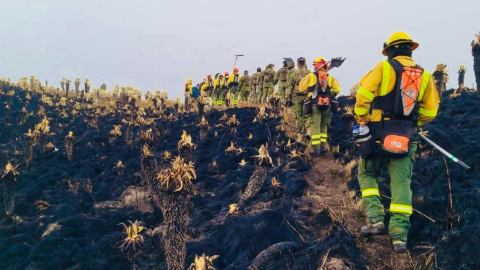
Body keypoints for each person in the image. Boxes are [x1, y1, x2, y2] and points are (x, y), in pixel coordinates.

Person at [354, 31, 440, 253]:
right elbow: (431, 111)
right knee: (402, 184)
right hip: (407, 136)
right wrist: (413, 122)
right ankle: (399, 237)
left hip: (378, 134)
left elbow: (363, 93)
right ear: (410, 49)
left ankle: (376, 220)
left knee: (366, 174)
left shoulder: (383, 68)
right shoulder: (425, 75)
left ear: (390, 50)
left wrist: (362, 118)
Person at [298, 56, 341, 156]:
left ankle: (316, 149)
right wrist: (330, 96)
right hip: (327, 105)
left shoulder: (311, 76)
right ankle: (322, 146)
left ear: (316, 66)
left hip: (314, 104)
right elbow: (337, 89)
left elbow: (301, 88)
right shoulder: (330, 77)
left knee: (315, 126)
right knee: (323, 126)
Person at [286, 57, 311, 142]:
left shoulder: (293, 73)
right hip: (307, 97)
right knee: (308, 115)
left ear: (297, 64)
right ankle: (308, 131)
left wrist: (287, 99)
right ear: (305, 63)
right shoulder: (309, 73)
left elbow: (289, 87)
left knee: (298, 116)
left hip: (296, 97)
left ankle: (300, 137)